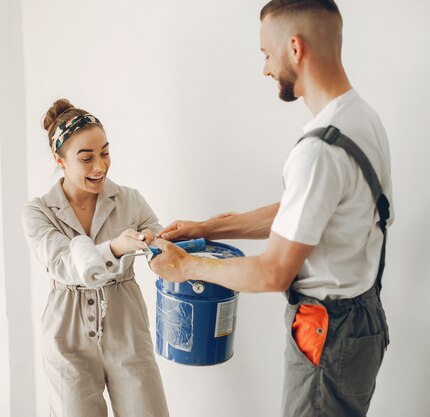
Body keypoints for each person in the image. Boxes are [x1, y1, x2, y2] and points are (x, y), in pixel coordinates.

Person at [149, 1, 393, 416]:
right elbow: (303, 211)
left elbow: (272, 271)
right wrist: (207, 228)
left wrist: (187, 267)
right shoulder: (360, 118)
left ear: (295, 48)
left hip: (326, 332)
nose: (265, 68)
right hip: (363, 319)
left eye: (266, 53)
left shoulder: (317, 151)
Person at [21, 99, 169, 417]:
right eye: (86, 158)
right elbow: (62, 263)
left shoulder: (130, 200)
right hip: (67, 332)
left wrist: (159, 248)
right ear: (59, 160)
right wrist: (115, 248)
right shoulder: (38, 212)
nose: (99, 166)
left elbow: (159, 246)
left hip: (126, 322)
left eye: (105, 152)